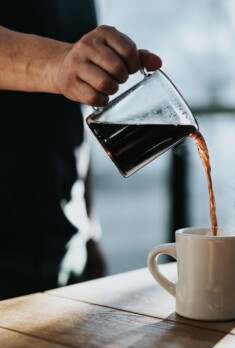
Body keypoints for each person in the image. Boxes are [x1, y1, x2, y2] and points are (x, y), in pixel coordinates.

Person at [0, 1, 162, 300]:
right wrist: (58, 63)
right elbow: (68, 68)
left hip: (67, 241)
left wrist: (90, 231)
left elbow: (76, 108)